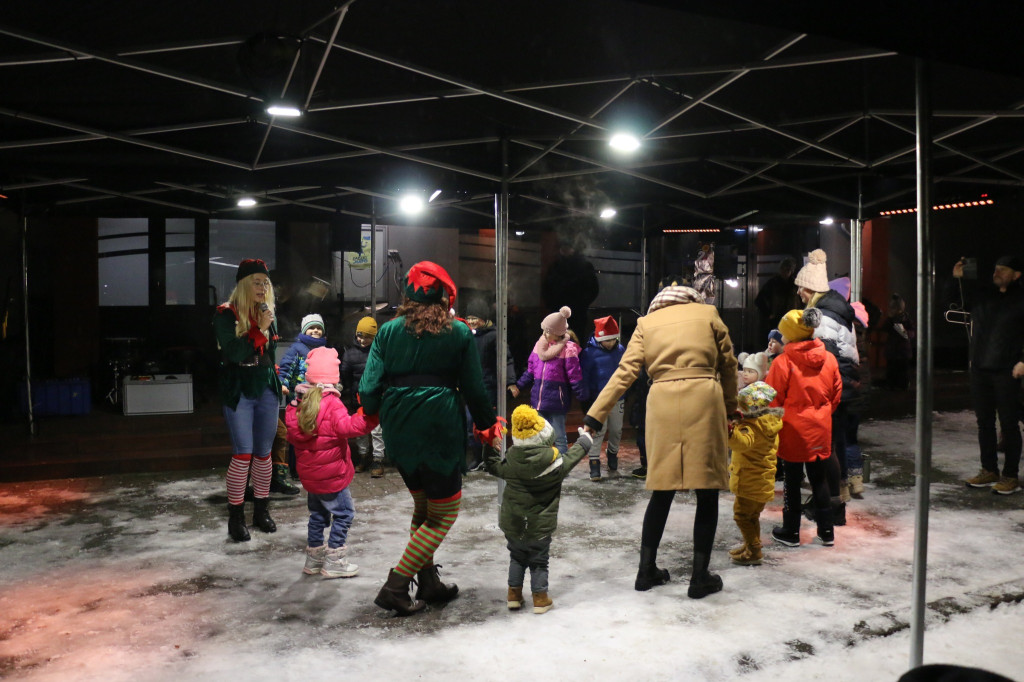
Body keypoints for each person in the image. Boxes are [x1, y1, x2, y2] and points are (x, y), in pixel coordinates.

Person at [359, 261, 501, 616]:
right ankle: (395, 585)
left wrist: (375, 413)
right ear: (444, 296)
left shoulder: (388, 332)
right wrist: (487, 425)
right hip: (438, 424)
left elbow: (367, 387)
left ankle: (428, 584)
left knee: (424, 507)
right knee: (445, 512)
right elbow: (473, 386)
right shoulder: (458, 333)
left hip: (398, 426)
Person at [583, 284, 738, 599]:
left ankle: (646, 570)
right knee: (707, 492)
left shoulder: (646, 323)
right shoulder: (708, 313)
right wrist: (731, 407)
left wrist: (594, 415)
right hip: (704, 398)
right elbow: (729, 364)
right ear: (690, 299)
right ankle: (699, 577)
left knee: (662, 490)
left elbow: (624, 373)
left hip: (662, 402)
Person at [483, 405, 593, 614]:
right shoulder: (556, 465)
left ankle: (513, 595)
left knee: (516, 557)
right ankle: (540, 598)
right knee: (539, 562)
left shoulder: (510, 463)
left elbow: (491, 465)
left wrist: (490, 444)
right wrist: (585, 440)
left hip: (513, 523)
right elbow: (574, 455)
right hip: (540, 527)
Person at [286, 347, 378, 579]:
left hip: (311, 477)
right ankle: (335, 559)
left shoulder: (298, 403)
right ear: (333, 377)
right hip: (332, 476)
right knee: (344, 514)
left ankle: (314, 560)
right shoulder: (331, 404)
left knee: (317, 516)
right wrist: (369, 415)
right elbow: (349, 428)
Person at [213, 258, 282, 542]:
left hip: (265, 385)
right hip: (239, 386)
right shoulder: (225, 314)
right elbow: (234, 353)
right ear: (243, 285)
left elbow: (270, 352)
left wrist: (280, 379)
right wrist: (258, 330)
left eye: (265, 282)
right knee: (243, 453)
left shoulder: (267, 313)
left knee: (264, 453)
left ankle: (261, 511)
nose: (262, 287)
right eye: (256, 281)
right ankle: (236, 517)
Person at [765, 308, 842, 548]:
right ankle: (826, 530)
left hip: (793, 431)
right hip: (820, 428)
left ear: (790, 335)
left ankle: (791, 530)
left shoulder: (783, 362)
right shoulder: (828, 358)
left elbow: (771, 397)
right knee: (819, 479)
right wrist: (821, 415)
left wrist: (774, 422)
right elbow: (836, 394)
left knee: (791, 481)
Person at [794, 250, 859, 520]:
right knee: (835, 445)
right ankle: (835, 502)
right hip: (845, 386)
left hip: (834, 390)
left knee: (827, 449)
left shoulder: (822, 315)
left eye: (800, 288)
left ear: (809, 288)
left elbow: (823, 358)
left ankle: (832, 506)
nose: (798, 293)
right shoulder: (835, 308)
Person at [954, 255, 1024, 495]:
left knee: (1009, 424)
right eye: (996, 268)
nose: (997, 272)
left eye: (1003, 269)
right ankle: (989, 470)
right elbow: (956, 302)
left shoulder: (1020, 299)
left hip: (1007, 369)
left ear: (1016, 275)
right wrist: (957, 280)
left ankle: (1010, 475)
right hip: (980, 367)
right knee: (984, 423)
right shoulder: (984, 295)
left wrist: (1023, 360)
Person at [510, 306, 587, 456]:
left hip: (557, 402)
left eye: (548, 331)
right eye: (544, 330)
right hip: (539, 400)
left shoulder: (567, 349)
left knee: (559, 437)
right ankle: (543, 463)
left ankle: (563, 464)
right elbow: (531, 370)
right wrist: (518, 385)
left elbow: (574, 375)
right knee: (540, 437)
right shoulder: (539, 346)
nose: (545, 334)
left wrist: (582, 395)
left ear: (558, 333)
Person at [727, 381, 783, 566]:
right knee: (752, 516)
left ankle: (753, 550)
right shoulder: (768, 422)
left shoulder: (750, 426)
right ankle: (751, 546)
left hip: (749, 481)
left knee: (741, 515)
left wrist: (730, 431)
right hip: (762, 480)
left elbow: (742, 444)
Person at [464, 299, 516, 472]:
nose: (471, 322)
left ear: (483, 318)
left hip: (488, 388)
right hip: (470, 388)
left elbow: (505, 359)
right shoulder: (466, 335)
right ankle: (479, 457)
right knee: (470, 425)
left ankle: (491, 458)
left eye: (474, 318)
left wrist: (510, 382)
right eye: (469, 318)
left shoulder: (494, 336)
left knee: (489, 425)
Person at [579, 315, 626, 481]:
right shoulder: (589, 353)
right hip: (597, 399)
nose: (611, 343)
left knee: (616, 429)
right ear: (600, 338)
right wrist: (585, 396)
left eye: (614, 339)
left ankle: (612, 454)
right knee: (598, 430)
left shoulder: (621, 350)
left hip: (618, 398)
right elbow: (584, 376)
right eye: (608, 340)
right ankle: (594, 462)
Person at [341, 317, 386, 476]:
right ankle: (363, 456)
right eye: (360, 336)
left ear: (374, 337)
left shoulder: (380, 351)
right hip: (357, 397)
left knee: (377, 430)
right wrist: (350, 390)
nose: (362, 340)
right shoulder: (350, 354)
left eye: (367, 337)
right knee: (360, 429)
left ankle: (378, 459)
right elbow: (345, 374)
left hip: (376, 396)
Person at [541, 239, 599, 341]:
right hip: (575, 313)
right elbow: (593, 289)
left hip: (565, 312)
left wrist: (551, 305)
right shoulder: (583, 265)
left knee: (560, 344)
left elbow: (547, 289)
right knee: (574, 342)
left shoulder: (556, 266)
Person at [755, 257, 799, 342]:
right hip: (777, 319)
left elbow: (800, 301)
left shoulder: (795, 285)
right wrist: (769, 314)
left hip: (791, 320)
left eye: (788, 270)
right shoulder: (773, 284)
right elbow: (759, 300)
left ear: (791, 271)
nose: (785, 272)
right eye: (783, 269)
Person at [882, 293, 915, 391]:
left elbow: (910, 333)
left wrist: (902, 329)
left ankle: (901, 385)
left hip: (901, 351)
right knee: (892, 371)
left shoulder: (905, 319)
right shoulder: (891, 321)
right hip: (893, 351)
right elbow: (884, 328)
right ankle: (893, 385)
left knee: (902, 372)